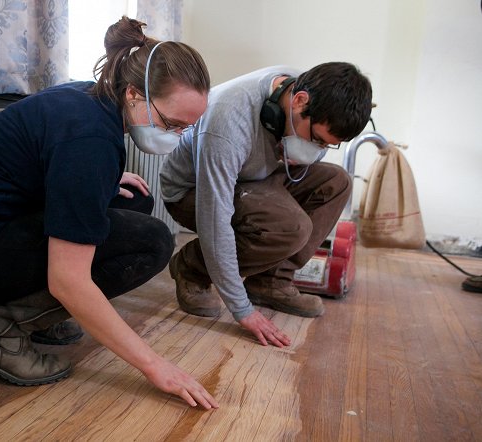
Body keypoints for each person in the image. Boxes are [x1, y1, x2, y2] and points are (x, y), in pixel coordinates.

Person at [0, 17, 218, 409]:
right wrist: (155, 366)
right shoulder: (89, 140)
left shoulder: (90, 98)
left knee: (133, 200)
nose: (175, 136)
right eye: (171, 123)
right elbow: (69, 281)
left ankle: (35, 315)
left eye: (185, 129)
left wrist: (105, 179)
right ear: (133, 94)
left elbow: (48, 162)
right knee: (152, 241)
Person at [159, 62, 372, 347]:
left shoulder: (300, 89)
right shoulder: (228, 120)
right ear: (299, 101)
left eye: (326, 145)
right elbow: (214, 216)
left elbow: (312, 154)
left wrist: (301, 152)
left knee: (337, 182)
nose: (318, 149)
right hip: (193, 192)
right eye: (317, 140)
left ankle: (269, 282)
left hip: (255, 178)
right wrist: (241, 308)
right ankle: (192, 267)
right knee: (290, 227)